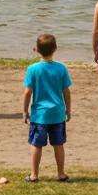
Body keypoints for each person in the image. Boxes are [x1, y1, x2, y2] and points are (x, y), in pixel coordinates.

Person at [22, 33, 71, 183]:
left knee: (36, 144)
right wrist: (68, 109)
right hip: (57, 113)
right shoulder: (61, 68)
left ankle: (34, 174)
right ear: (55, 49)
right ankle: (61, 173)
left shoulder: (33, 69)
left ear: (36, 49)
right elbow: (66, 91)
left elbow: (28, 92)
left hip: (39, 115)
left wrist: (25, 111)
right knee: (58, 144)